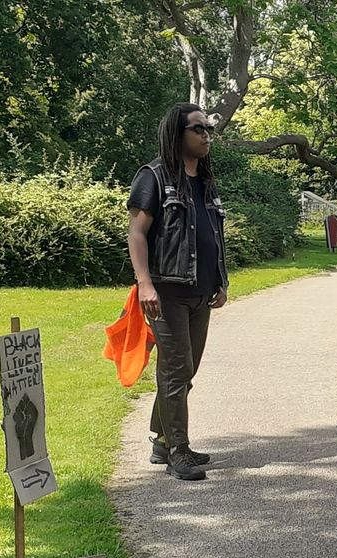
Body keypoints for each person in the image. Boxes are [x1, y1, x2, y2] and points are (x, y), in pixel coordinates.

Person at [127, 102, 228, 482]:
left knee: (185, 372)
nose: (206, 136)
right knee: (175, 370)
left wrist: (219, 282)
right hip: (166, 292)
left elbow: (212, 234)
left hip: (201, 291)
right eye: (198, 129)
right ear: (178, 133)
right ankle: (177, 450)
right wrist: (144, 284)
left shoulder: (205, 180)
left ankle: (161, 438)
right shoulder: (153, 176)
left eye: (208, 130)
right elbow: (136, 233)